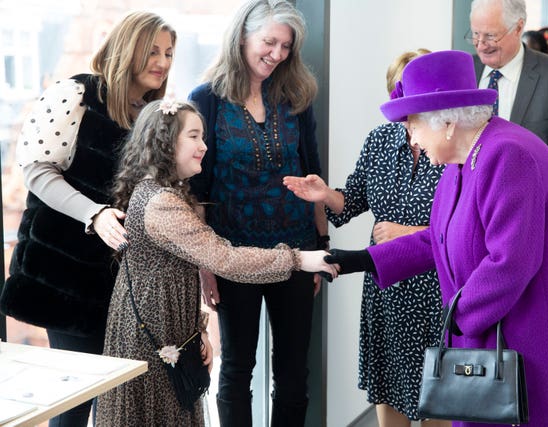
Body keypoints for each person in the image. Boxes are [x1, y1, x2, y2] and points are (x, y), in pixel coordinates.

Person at [321, 50, 548, 427]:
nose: (408, 133)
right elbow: (440, 239)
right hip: (491, 337)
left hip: (529, 346)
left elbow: (510, 262)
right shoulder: (462, 160)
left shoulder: (509, 155)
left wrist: (454, 321)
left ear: (447, 121)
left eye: (412, 122)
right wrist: (360, 260)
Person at [94, 99, 335, 426]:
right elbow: (225, 258)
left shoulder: (161, 192)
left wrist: (198, 330)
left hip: (162, 326)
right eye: (194, 136)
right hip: (152, 333)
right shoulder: (162, 203)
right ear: (166, 142)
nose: (204, 146)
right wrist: (298, 259)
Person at [0, 11, 175, 427]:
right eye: (152, 50)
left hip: (121, 278)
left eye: (169, 52)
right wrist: (93, 214)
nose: (163, 61)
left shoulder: (152, 115)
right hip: (64, 275)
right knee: (76, 400)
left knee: (116, 403)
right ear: (126, 48)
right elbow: (37, 171)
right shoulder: (75, 94)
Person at [284, 49, 449, 427]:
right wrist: (324, 195)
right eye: (400, 91)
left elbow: (465, 223)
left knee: (439, 393)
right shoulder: (379, 140)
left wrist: (408, 232)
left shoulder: (451, 145)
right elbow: (353, 200)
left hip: (436, 288)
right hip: (386, 286)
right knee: (387, 384)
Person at [187, 1, 326, 425]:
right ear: (241, 37)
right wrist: (204, 265)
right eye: (270, 42)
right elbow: (196, 189)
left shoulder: (296, 98)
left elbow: (313, 174)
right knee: (236, 370)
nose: (278, 54)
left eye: (286, 46)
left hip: (296, 255)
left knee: (293, 375)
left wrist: (321, 248)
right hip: (233, 257)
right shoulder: (206, 100)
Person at [467, 0, 548, 241]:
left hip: (529, 220)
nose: (481, 45)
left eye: (490, 36)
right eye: (475, 34)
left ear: (518, 28)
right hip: (468, 219)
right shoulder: (464, 71)